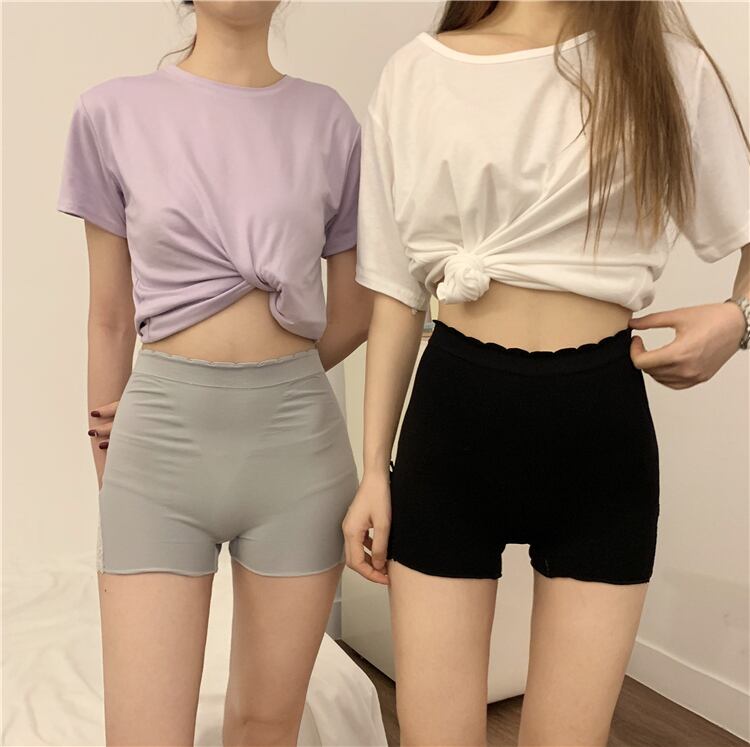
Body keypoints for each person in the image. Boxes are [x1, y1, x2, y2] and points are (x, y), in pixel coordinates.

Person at [344, 1, 749, 745]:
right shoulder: (418, 71)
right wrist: (374, 467)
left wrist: (739, 320)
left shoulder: (665, 68)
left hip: (601, 435)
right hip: (451, 427)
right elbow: (396, 292)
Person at [57, 2, 371, 744]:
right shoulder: (109, 113)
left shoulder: (329, 120)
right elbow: (109, 315)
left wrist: (275, 381)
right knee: (144, 732)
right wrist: (110, 453)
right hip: (158, 449)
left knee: (267, 724)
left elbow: (356, 311)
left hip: (298, 454)